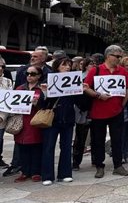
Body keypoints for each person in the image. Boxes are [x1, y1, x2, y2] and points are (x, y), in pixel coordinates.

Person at [83, 45, 128, 178]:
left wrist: (121, 106)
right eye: (116, 56)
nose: (119, 59)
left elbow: (127, 89)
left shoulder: (122, 71)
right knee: (98, 140)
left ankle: (118, 165)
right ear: (108, 56)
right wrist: (98, 95)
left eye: (120, 56)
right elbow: (86, 87)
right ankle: (99, 166)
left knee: (117, 140)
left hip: (117, 111)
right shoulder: (96, 70)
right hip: (98, 112)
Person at [39, 56, 79, 185]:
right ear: (57, 66)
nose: (67, 67)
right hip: (52, 119)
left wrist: (82, 90)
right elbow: (42, 104)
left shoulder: (74, 80)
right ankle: (47, 176)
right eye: (64, 65)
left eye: (69, 65)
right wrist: (45, 93)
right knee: (48, 147)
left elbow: (81, 103)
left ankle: (65, 173)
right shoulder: (49, 79)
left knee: (66, 147)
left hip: (68, 118)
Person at [14, 66, 44, 182]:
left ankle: (36, 171)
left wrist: (37, 103)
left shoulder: (42, 89)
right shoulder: (20, 88)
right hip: (22, 121)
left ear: (39, 76)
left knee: (36, 146)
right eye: (28, 74)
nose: (29, 76)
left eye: (33, 74)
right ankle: (25, 171)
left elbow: (46, 106)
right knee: (22, 147)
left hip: (36, 121)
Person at [72, 57, 95, 171]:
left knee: (95, 137)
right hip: (82, 111)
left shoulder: (98, 77)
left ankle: (96, 160)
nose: (93, 66)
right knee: (80, 138)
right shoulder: (79, 77)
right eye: (91, 64)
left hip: (94, 110)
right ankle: (76, 162)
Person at [0, 57, 12, 168]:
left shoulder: (7, 82)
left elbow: (10, 100)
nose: (0, 68)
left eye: (2, 66)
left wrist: (2, 117)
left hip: (1, 118)